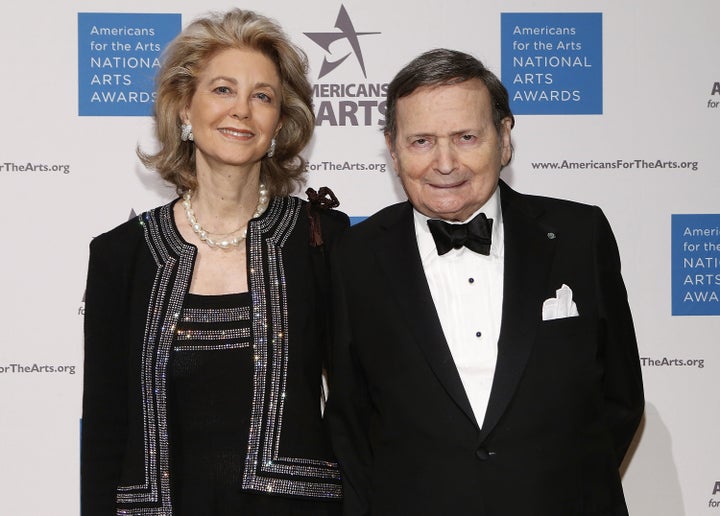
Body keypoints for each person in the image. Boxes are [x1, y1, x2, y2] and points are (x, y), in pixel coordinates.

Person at [326, 48, 644, 515]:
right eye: (421, 142)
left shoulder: (580, 234)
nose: (445, 163)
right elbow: (349, 421)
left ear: (504, 137)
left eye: (466, 137)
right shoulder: (353, 255)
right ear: (392, 150)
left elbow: (620, 396)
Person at [81, 9, 347, 515]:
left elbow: (358, 412)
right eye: (223, 89)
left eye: (262, 96)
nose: (242, 111)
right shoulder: (122, 255)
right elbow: (104, 430)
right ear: (184, 107)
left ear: (281, 121)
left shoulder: (322, 241)